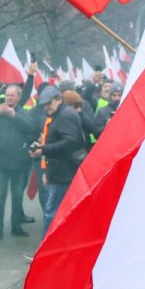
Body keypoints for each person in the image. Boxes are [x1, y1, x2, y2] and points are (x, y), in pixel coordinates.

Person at [0, 83, 36, 239]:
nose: (9, 98)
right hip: (1, 161)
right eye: (7, 95)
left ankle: (16, 226)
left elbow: (31, 128)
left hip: (19, 161)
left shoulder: (23, 112)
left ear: (19, 97)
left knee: (17, 196)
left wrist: (13, 116)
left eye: (12, 95)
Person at [34, 87, 89, 226]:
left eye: (49, 103)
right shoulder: (60, 114)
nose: (46, 107)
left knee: (52, 214)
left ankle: (49, 246)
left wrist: (44, 150)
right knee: (55, 212)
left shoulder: (65, 115)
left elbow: (70, 142)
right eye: (44, 105)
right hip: (58, 171)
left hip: (63, 172)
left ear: (58, 99)